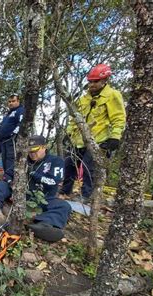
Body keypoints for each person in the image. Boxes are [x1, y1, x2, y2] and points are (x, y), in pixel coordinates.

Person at [59, 64, 126, 201]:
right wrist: (69, 133)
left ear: (104, 80)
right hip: (78, 140)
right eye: (90, 81)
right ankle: (65, 191)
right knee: (69, 164)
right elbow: (74, 119)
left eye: (95, 81)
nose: (92, 84)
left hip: (99, 140)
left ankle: (86, 195)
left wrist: (115, 137)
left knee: (89, 167)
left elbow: (118, 118)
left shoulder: (112, 96)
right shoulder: (83, 99)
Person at [0, 135, 71, 242]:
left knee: (64, 206)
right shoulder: (23, 159)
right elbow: (7, 174)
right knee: (0, 185)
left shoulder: (56, 161)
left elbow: (54, 181)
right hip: (20, 194)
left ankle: (44, 225)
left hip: (43, 199)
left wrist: (33, 174)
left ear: (44, 147)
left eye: (35, 150)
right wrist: (11, 184)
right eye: (30, 151)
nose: (32, 154)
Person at [0, 94, 24, 180]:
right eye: (9, 101)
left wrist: (14, 134)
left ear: (18, 101)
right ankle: (5, 176)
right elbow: (2, 127)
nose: (11, 103)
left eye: (13, 101)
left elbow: (21, 123)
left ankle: (9, 178)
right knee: (4, 159)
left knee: (10, 158)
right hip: (3, 141)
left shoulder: (20, 110)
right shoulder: (8, 114)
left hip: (12, 140)